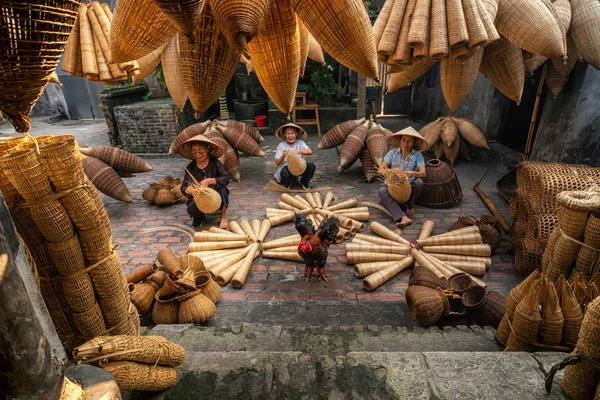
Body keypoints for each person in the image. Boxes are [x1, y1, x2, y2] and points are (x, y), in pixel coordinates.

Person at [377, 126, 428, 229]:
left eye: (409, 141)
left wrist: (412, 173)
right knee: (382, 191)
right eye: (404, 140)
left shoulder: (417, 155)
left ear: (413, 142)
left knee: (419, 183)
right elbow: (379, 171)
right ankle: (402, 216)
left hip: (408, 187)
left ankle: (409, 206)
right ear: (400, 140)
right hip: (393, 187)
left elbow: (423, 173)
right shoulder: (392, 153)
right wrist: (391, 171)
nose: (406, 143)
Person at [179, 135, 230, 229]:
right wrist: (187, 189)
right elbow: (183, 187)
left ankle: (223, 216)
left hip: (215, 192)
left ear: (207, 149)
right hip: (200, 196)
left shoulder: (215, 162)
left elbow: (226, 179)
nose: (198, 154)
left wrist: (210, 181)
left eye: (200, 150)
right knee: (191, 206)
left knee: (223, 189)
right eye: (194, 151)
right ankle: (199, 217)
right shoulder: (190, 167)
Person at [274, 122, 316, 189]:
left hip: (300, 167)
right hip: (288, 169)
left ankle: (304, 182)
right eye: (288, 134)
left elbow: (309, 151)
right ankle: (288, 183)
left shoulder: (300, 143)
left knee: (311, 166)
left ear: (296, 134)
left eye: (292, 133)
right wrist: (283, 156)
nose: (290, 136)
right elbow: (277, 163)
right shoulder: (281, 145)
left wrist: (299, 151)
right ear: (285, 135)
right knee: (284, 172)